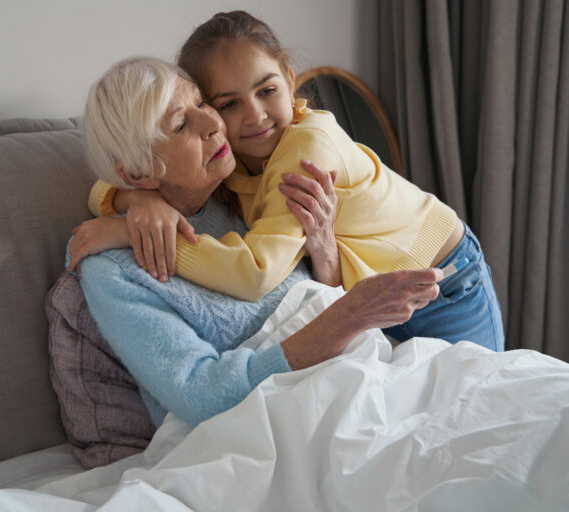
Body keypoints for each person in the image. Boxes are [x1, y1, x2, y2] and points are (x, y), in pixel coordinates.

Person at [81, 11, 504, 352]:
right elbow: (109, 183)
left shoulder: (306, 148)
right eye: (229, 103)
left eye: (267, 90)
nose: (255, 116)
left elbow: (255, 272)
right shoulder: (227, 159)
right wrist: (137, 202)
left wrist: (125, 230)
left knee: (479, 410)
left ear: (288, 76)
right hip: (371, 299)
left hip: (443, 279)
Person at [69, 56, 443, 428]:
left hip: (366, 367)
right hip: (275, 421)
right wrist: (350, 316)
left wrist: (325, 251)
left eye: (201, 103)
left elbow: (315, 294)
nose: (215, 123)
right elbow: (203, 396)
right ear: (138, 171)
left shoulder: (240, 185)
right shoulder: (113, 270)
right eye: (181, 125)